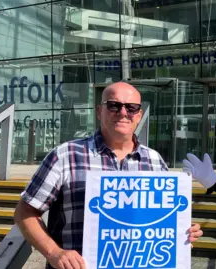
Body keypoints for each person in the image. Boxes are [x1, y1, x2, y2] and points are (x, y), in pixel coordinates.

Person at [14, 82, 203, 269]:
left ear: (139, 115)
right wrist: (54, 253)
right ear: (99, 111)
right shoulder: (65, 156)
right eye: (114, 105)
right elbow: (25, 211)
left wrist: (181, 232)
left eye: (131, 107)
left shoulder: (154, 160)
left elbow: (160, 219)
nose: (123, 113)